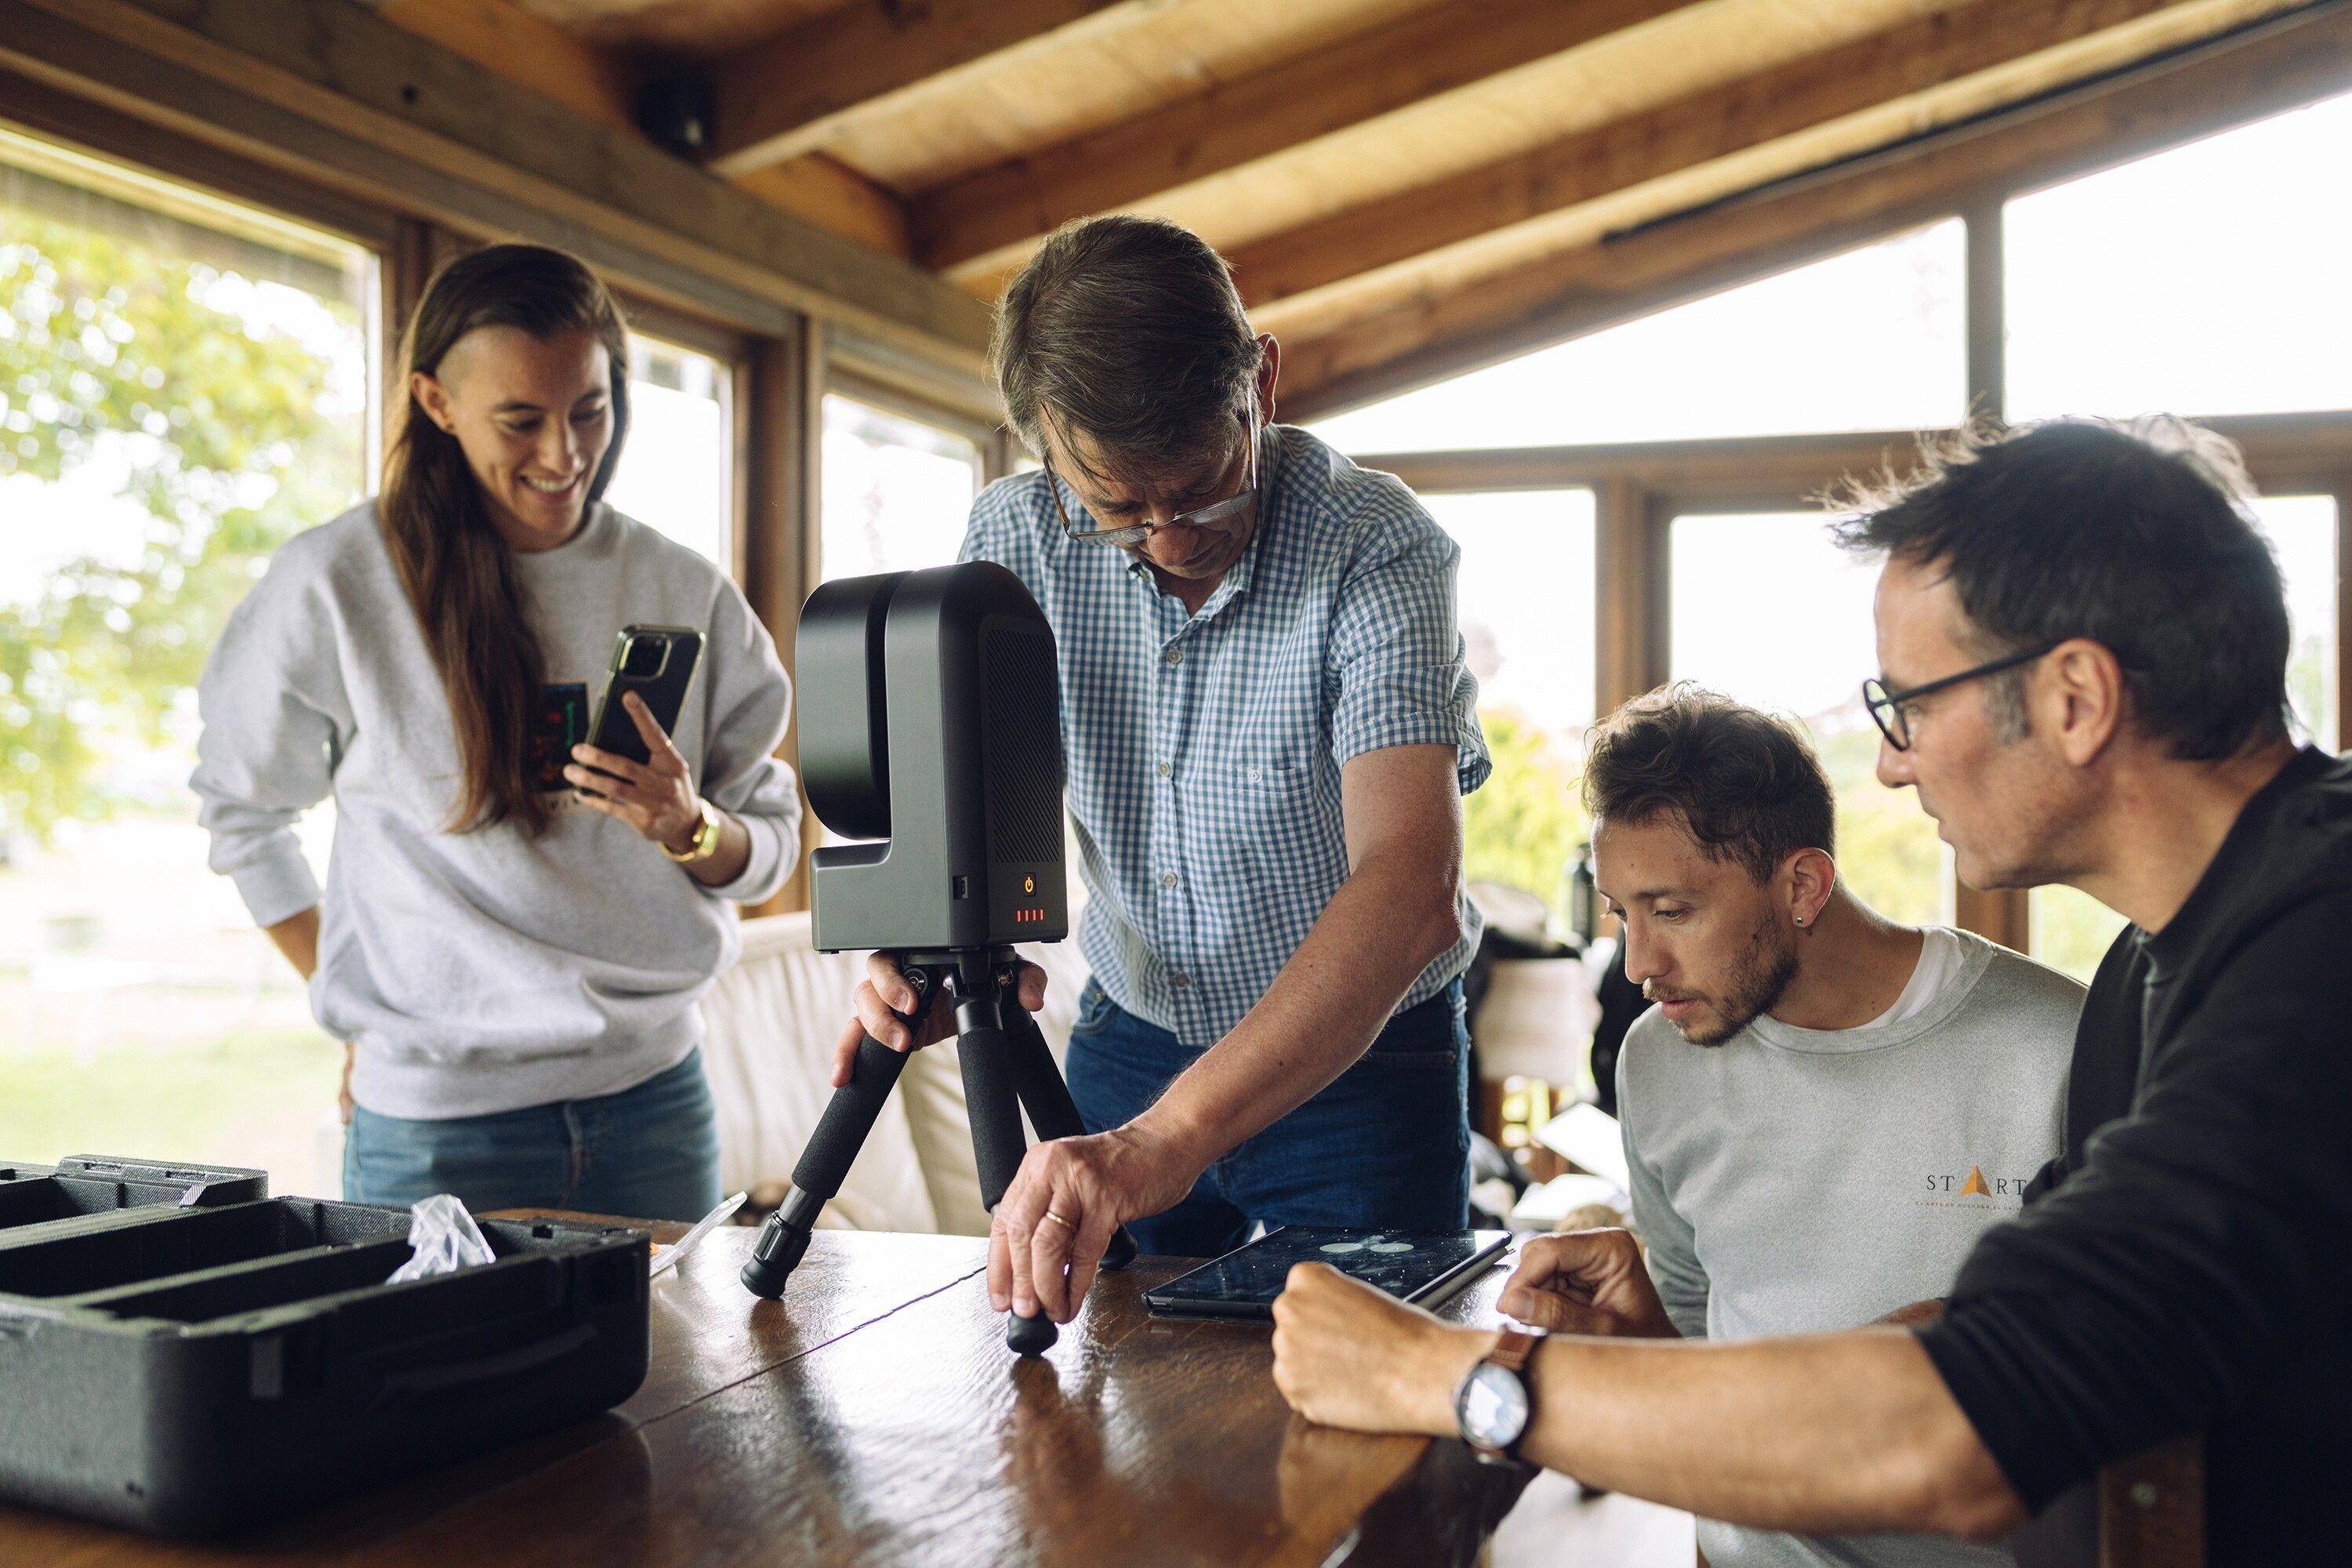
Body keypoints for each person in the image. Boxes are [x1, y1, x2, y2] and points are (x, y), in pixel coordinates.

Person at [1269, 416, 2350, 1564]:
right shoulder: (2159, 966)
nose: (1890, 760)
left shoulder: (2317, 961)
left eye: (1912, 705)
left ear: (2076, 697)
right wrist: (1684, 1349)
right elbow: (2033, 1328)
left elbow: (1971, 1424)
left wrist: (1446, 1373)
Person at [837, 214, 1490, 1323]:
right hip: (1127, 1040)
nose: (1173, 538)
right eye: (1118, 512)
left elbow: (1411, 888)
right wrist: (946, 950)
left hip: (1362, 1072)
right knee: (1095, 1395)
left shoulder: (1378, 546)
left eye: (1205, 487)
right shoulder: (1013, 540)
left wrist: (1165, 1143)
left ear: (1262, 384)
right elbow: (981, 804)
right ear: (1047, 455)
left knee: (1377, 1420)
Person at [193, 244, 800, 1221]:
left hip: (654, 1098)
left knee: (678, 1375)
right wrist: (356, 1002)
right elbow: (242, 813)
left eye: (590, 411)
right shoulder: (339, 584)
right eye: (520, 420)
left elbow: (769, 846)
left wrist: (688, 825)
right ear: (437, 402)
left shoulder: (685, 589)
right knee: (436, 1378)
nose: (564, 454)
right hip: (435, 1123)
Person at [1575, 684, 2082, 1568]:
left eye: (1672, 910)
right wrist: (1633, 1330)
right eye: (1622, 913)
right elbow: (1705, 1345)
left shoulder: (2060, 1045)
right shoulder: (1656, 1060)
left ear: (1803, 884)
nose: (1639, 964)